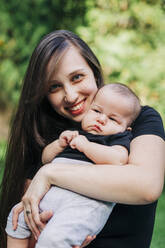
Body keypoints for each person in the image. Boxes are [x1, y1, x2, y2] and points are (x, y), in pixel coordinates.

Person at [0, 30, 164, 248]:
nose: (70, 95)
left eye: (77, 77)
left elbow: (146, 186)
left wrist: (50, 174)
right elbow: (24, 228)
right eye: (54, 87)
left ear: (95, 74)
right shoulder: (49, 138)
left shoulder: (136, 120)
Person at [5, 83, 141, 248]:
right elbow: (46, 159)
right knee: (17, 217)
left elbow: (118, 160)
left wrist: (86, 146)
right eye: (97, 111)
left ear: (126, 129)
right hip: (52, 195)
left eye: (112, 118)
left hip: (85, 202)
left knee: (54, 239)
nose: (101, 119)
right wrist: (58, 144)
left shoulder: (117, 139)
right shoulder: (76, 133)